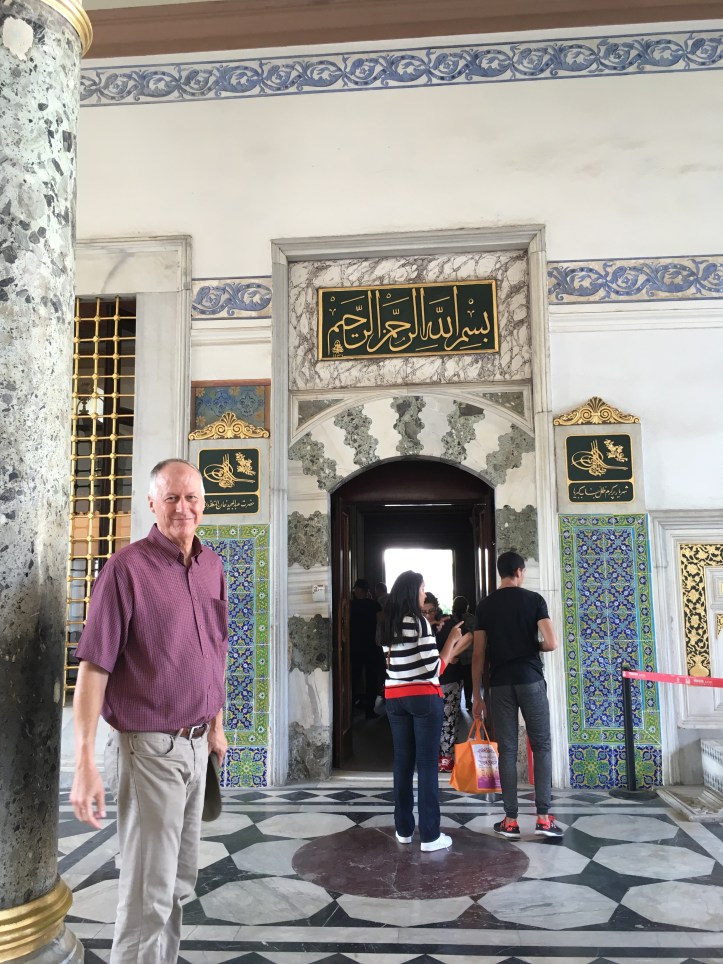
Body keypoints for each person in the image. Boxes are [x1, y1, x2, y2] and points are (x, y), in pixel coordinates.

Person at [70, 458, 229, 962]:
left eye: (192, 498)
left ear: (203, 503)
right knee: (148, 897)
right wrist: (85, 761)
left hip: (198, 747)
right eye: (172, 498)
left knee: (178, 884)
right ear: (152, 503)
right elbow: (94, 668)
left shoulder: (211, 566)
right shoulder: (126, 569)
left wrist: (217, 726)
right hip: (149, 750)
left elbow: (216, 649)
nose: (183, 508)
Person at [471, 550, 562, 838]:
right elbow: (552, 642)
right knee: (541, 745)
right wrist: (531, 646)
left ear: (501, 573)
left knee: (508, 750)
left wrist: (476, 695)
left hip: (500, 684)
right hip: (530, 680)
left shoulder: (485, 606)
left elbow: (478, 654)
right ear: (520, 572)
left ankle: (510, 820)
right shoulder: (534, 600)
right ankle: (544, 818)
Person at [383, 571, 472, 851]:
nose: (424, 594)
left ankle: (403, 830)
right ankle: (431, 836)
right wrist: (451, 639)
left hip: (394, 697)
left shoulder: (389, 622)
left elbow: (402, 660)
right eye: (422, 589)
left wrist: (430, 631)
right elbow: (435, 669)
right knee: (427, 765)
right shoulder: (419, 621)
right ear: (413, 592)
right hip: (423, 698)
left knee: (402, 763)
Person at [432, 594, 473, 772]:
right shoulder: (419, 628)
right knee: (431, 721)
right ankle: (434, 757)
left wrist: (451, 655)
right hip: (428, 682)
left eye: (430, 611)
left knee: (448, 719)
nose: (428, 614)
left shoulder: (447, 624)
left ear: (437, 608)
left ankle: (446, 759)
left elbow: (469, 637)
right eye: (424, 611)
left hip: (449, 679)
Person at [350, 577, 382, 718]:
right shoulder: (374, 605)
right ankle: (369, 710)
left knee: (353, 678)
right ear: (367, 591)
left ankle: (350, 709)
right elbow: (381, 622)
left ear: (357, 589)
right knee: (371, 679)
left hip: (355, 646)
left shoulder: (349, 605)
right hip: (371, 646)